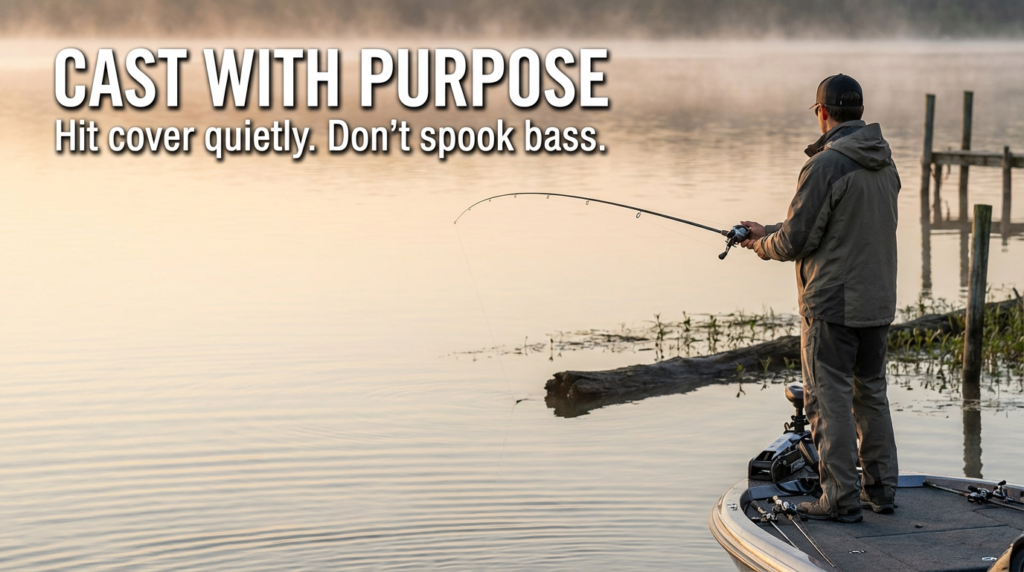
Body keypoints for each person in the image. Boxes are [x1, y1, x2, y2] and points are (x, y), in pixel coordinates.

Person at [739, 74, 900, 523]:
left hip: (831, 306)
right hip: (877, 301)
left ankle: (840, 500)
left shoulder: (825, 165)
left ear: (823, 113)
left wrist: (759, 244)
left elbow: (796, 242)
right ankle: (881, 491)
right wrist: (766, 230)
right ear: (860, 113)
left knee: (827, 401)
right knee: (870, 396)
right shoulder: (884, 162)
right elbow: (836, 227)